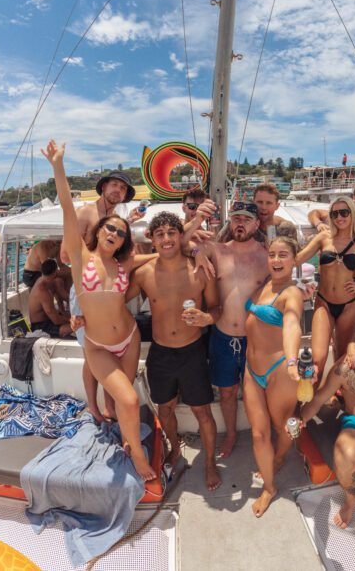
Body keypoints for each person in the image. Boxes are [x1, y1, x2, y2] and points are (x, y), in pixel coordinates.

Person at [42, 139, 157, 480]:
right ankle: (137, 456)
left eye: (121, 233)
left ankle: (125, 434)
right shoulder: (81, 259)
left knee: (122, 399)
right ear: (98, 230)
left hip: (129, 337)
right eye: (110, 228)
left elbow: (156, 255)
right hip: (98, 345)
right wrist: (58, 165)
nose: (115, 234)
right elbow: (66, 207)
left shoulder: (124, 264)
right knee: (130, 400)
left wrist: (191, 243)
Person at [127, 212, 222, 490]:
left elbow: (217, 308)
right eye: (160, 234)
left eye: (171, 232)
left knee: (202, 411)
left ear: (181, 236)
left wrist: (207, 319)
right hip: (161, 354)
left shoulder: (200, 269)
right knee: (164, 409)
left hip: (192, 352)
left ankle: (209, 462)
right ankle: (175, 448)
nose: (166, 238)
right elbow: (114, 300)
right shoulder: (143, 274)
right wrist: (81, 316)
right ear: (152, 240)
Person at [300, 315, 355, 528]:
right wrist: (300, 419)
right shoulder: (345, 367)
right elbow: (319, 397)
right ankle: (351, 499)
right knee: (344, 452)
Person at [198, 200, 269, 458]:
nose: (240, 223)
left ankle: (262, 436)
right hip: (223, 336)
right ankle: (231, 434)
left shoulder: (268, 255)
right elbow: (184, 246)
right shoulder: (216, 251)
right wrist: (196, 227)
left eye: (246, 219)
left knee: (258, 392)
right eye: (236, 218)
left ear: (257, 223)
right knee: (227, 392)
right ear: (230, 222)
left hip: (256, 338)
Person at [243, 236, 304, 517]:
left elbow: (292, 324)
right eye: (272, 254)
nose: (276, 260)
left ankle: (281, 454)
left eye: (283, 255)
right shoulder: (264, 284)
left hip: (280, 368)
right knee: (258, 434)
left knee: (284, 426)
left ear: (294, 260)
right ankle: (269, 487)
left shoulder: (292, 293)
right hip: (252, 370)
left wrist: (293, 360)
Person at [297, 196, 355, 378]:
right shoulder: (324, 237)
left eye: (344, 212)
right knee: (318, 358)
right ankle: (311, 397)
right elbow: (298, 259)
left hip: (349, 305)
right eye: (334, 214)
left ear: (352, 214)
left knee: (341, 356)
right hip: (324, 303)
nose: (339, 217)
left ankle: (336, 396)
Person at [307, 183, 355, 320]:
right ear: (354, 198)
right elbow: (314, 213)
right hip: (336, 282)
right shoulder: (340, 215)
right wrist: (319, 224)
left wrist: (342, 256)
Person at [28, 259, 73, 337]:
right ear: (55, 272)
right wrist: (71, 320)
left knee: (72, 317)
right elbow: (56, 320)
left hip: (47, 320)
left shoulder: (41, 280)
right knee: (77, 326)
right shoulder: (43, 291)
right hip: (41, 327)